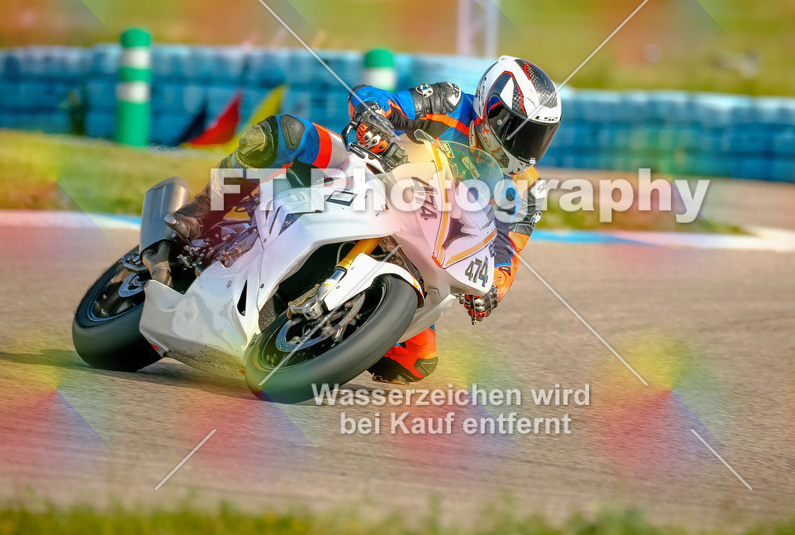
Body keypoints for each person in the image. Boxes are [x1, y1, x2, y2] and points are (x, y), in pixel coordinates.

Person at [165, 56, 561, 383]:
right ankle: (205, 210)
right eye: (520, 131)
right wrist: (376, 121)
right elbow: (376, 99)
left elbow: (508, 248)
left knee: (414, 362)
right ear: (492, 107)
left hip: (429, 245)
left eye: (538, 137)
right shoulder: (450, 101)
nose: (525, 147)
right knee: (285, 134)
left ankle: (337, 333)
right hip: (375, 176)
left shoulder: (528, 189)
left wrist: (494, 287)